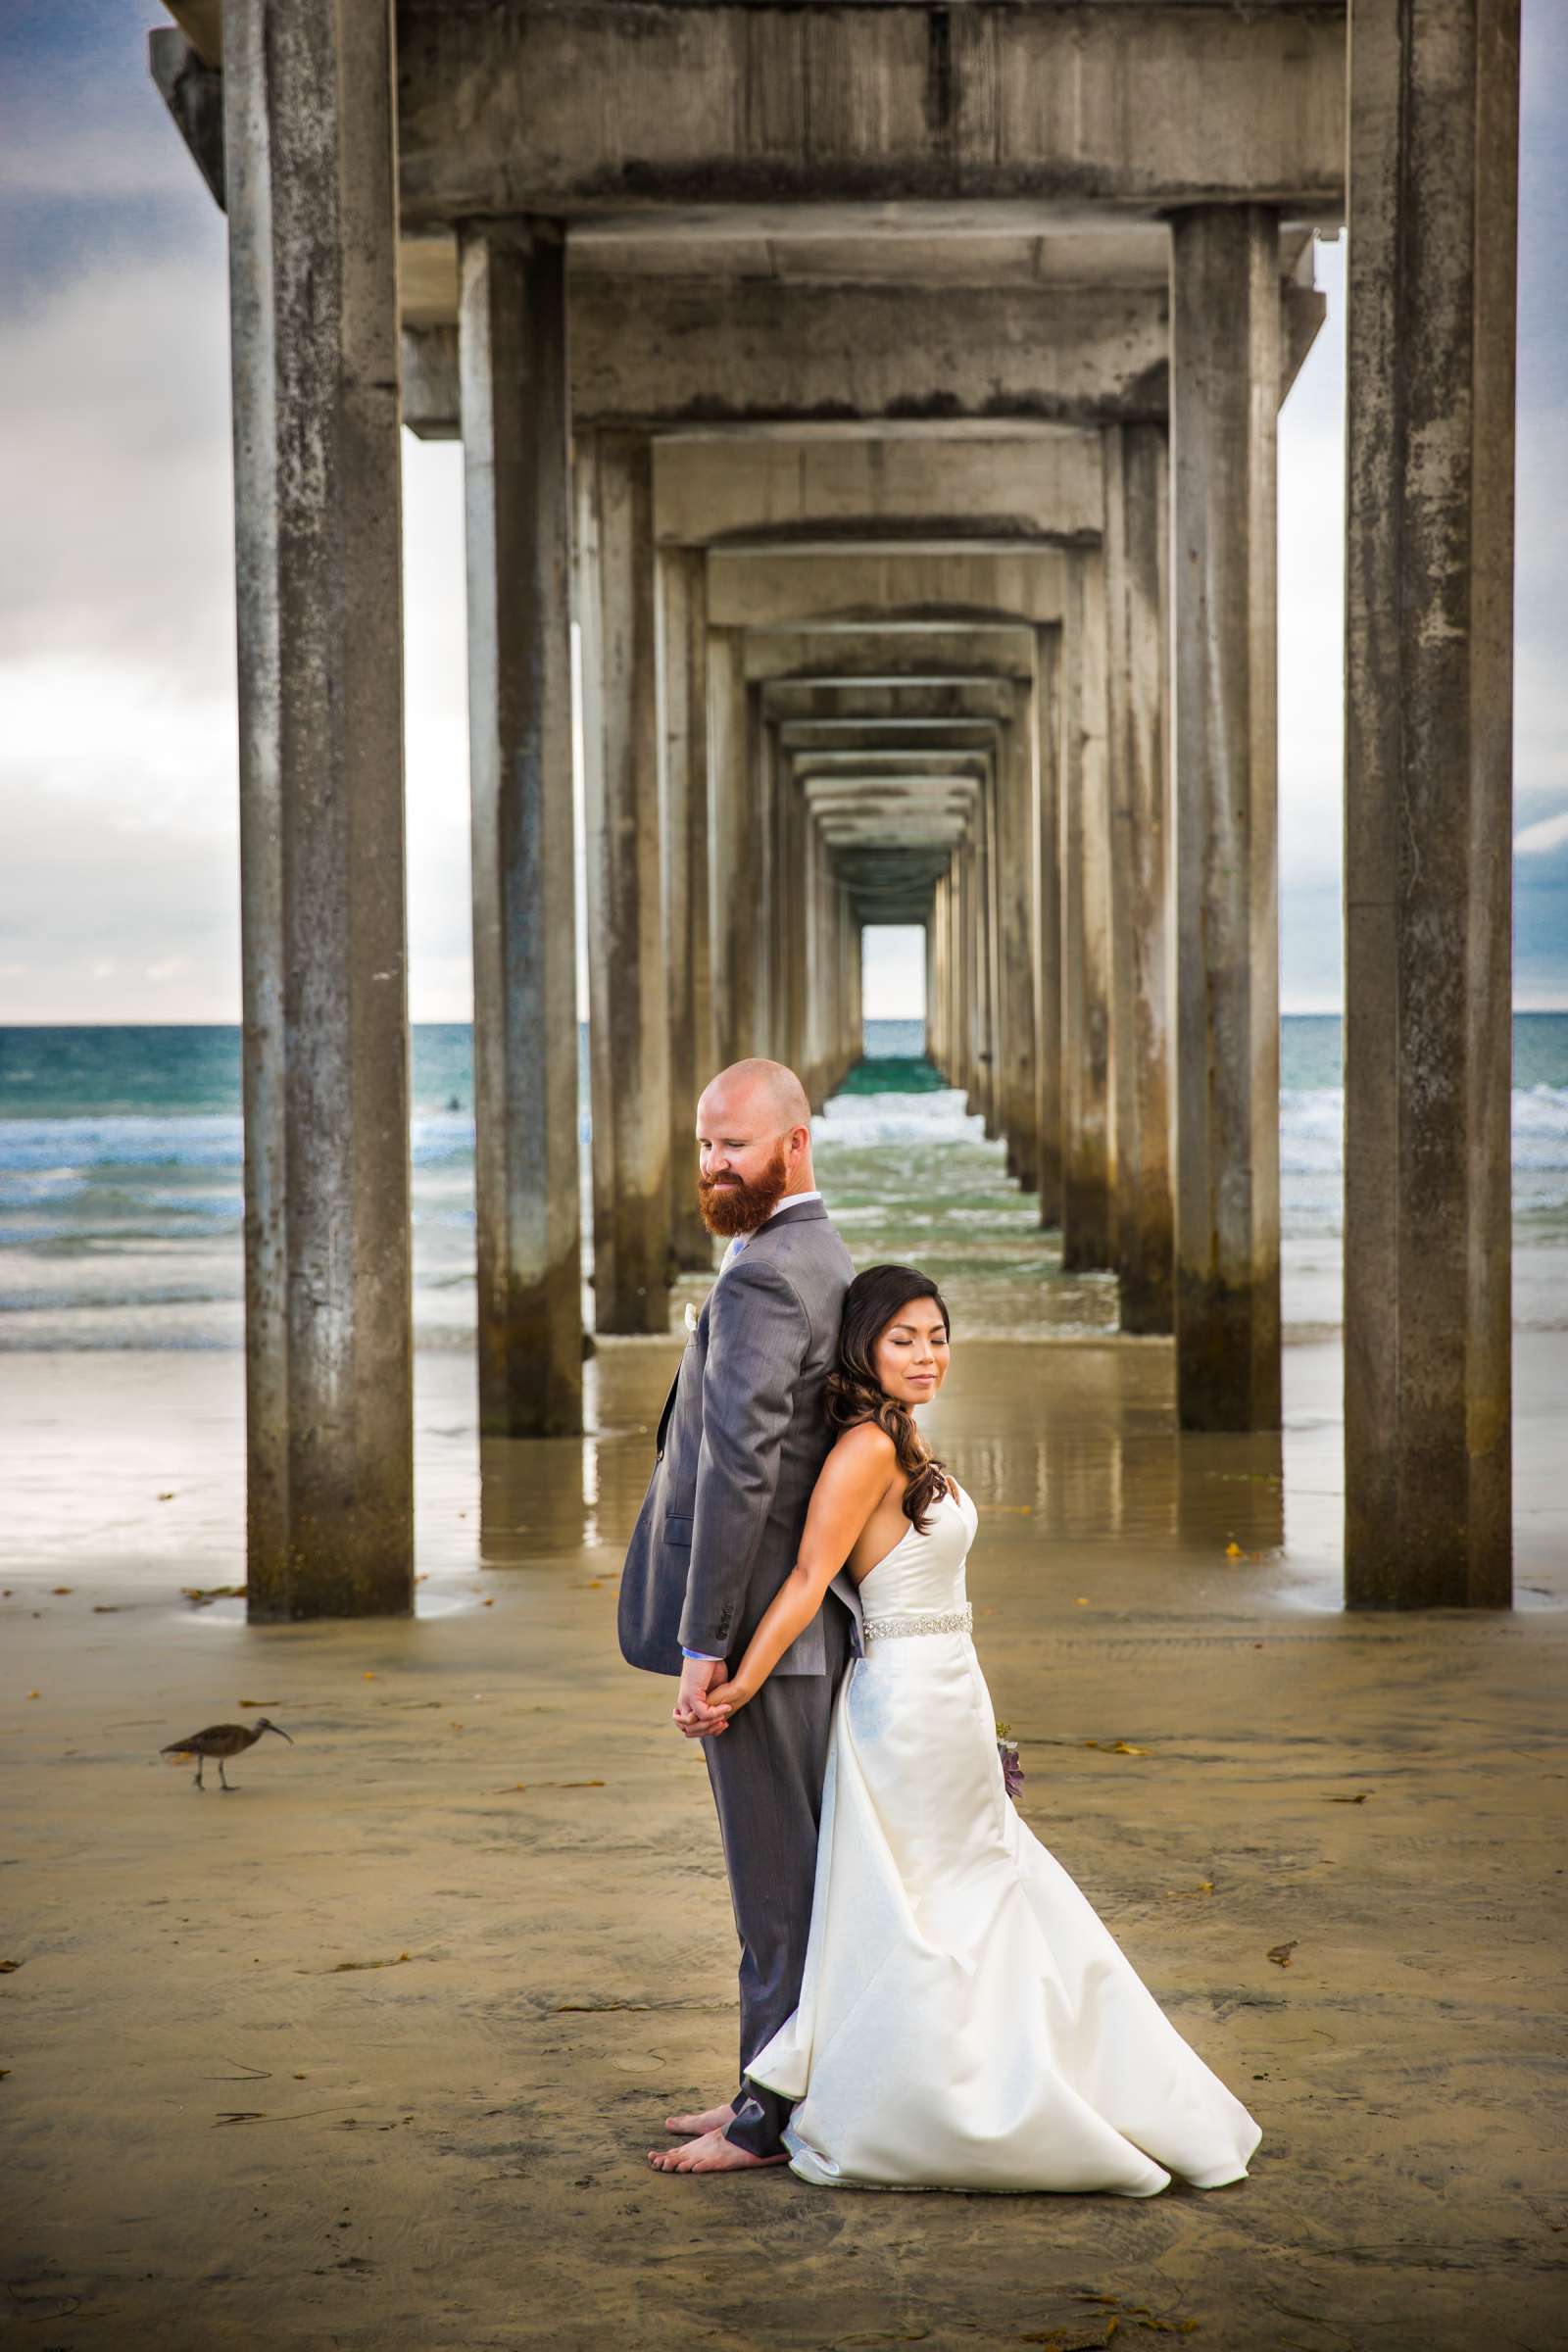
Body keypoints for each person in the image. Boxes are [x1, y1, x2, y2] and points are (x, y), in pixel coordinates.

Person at [675, 1262, 1264, 2194]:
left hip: (952, 1692)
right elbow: (804, 1578)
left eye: (938, 1337)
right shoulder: (867, 1449)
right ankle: (879, 2093)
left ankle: (876, 2080)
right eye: (904, 1339)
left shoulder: (902, 1436)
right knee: (924, 1902)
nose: (927, 1355)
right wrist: (737, 1683)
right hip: (903, 1705)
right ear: (865, 1347)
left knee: (973, 1890)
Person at [617, 1057, 858, 2175]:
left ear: (793, 1145)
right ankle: (763, 2080)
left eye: (735, 1146)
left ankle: (767, 2119)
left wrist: (705, 1644)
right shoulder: (807, 1255)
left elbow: (740, 1470)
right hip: (797, 1635)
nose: (712, 1166)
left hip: (769, 1637)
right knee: (786, 1877)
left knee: (776, 1884)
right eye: (704, 1146)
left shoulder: (765, 1276)